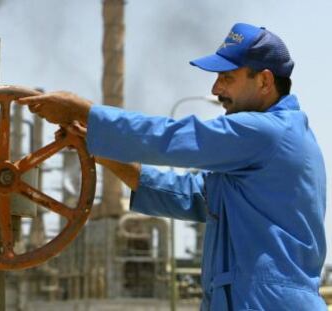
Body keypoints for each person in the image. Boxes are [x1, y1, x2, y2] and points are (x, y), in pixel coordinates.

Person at [19, 23, 327, 310]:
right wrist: (105, 153)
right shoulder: (266, 145)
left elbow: (176, 138)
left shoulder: (267, 132)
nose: (216, 88)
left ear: (264, 81)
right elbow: (193, 196)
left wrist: (86, 112)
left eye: (228, 77)